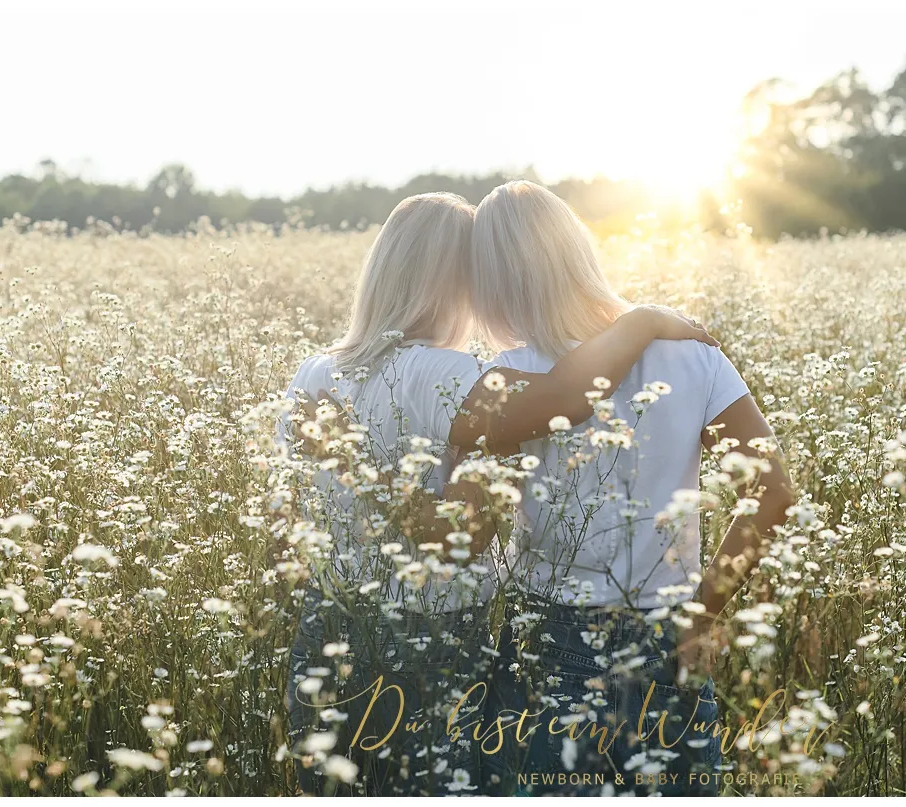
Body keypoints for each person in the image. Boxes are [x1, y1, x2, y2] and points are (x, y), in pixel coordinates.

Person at [277, 191, 718, 796]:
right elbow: (564, 402)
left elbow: (297, 521)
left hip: (324, 628)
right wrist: (640, 322)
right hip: (426, 645)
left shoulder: (313, 372)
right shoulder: (447, 376)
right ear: (464, 281)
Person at [470, 181, 796, 796]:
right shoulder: (694, 354)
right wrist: (702, 614)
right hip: (669, 629)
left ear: (493, 279)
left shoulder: (507, 376)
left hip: (548, 630)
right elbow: (773, 493)